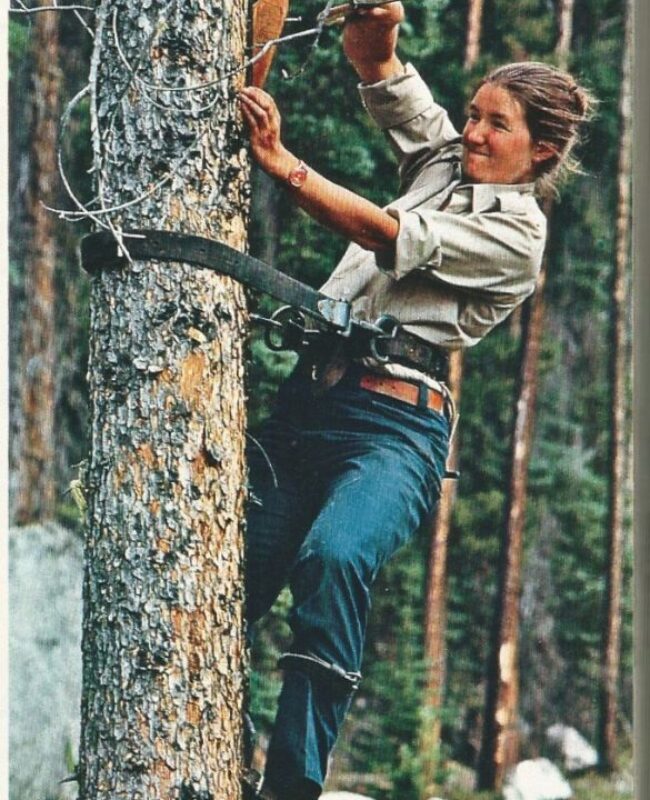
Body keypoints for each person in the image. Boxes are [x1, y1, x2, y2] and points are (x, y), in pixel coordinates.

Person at [238, 4, 593, 799]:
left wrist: (281, 161)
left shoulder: (519, 237)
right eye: (471, 114)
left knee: (334, 557)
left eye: (494, 125)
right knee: (232, 579)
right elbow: (381, 68)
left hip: (395, 432)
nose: (471, 133)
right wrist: (378, 22)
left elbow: (380, 232)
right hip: (310, 407)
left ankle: (291, 787)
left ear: (541, 150)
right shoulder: (445, 158)